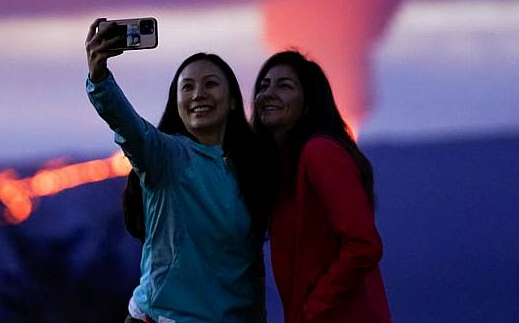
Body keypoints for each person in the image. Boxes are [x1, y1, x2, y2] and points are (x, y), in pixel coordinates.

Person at [85, 18, 276, 322]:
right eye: (187, 87)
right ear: (177, 103)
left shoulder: (252, 171)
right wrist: (100, 78)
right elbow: (130, 129)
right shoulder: (168, 157)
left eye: (210, 84)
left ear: (233, 103)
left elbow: (248, 269)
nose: (198, 94)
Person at [251, 50, 391, 323]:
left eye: (285, 86)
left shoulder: (319, 152)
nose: (268, 93)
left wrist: (315, 309)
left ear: (308, 104)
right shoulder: (281, 172)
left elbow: (364, 244)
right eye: (264, 86)